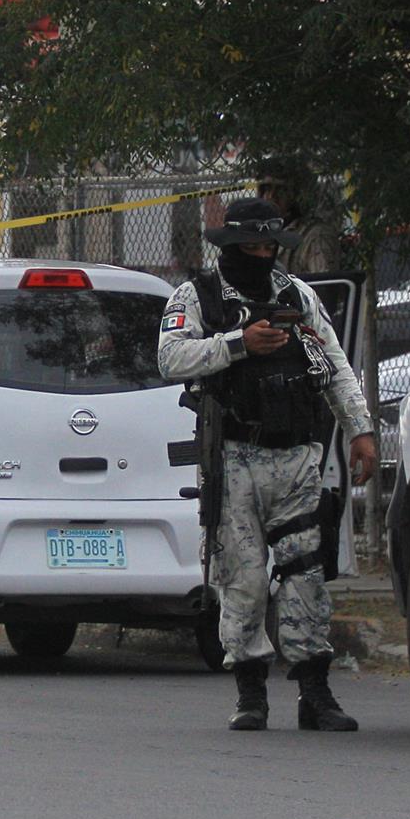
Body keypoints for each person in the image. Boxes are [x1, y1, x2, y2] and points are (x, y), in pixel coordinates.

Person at [159, 197, 377, 732]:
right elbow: (169, 358)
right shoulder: (198, 296)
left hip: (297, 456)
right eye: (250, 246)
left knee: (306, 573)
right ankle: (250, 691)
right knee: (244, 578)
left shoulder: (296, 295)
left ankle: (314, 691)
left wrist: (360, 428)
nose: (260, 255)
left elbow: (336, 365)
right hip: (232, 459)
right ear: (230, 248)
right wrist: (238, 344)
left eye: (268, 246)